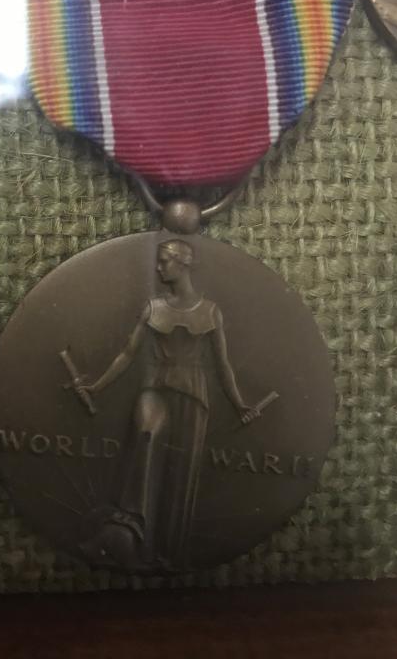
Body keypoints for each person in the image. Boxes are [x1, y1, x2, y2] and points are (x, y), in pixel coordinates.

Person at [79, 239, 259, 570]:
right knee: (146, 432)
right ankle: (127, 527)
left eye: (164, 261)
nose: (158, 267)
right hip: (156, 386)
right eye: (158, 261)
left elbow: (223, 366)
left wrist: (239, 404)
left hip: (193, 396)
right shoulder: (153, 307)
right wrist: (97, 386)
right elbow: (127, 354)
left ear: (183, 263)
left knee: (179, 474)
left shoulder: (210, 312)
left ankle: (162, 552)